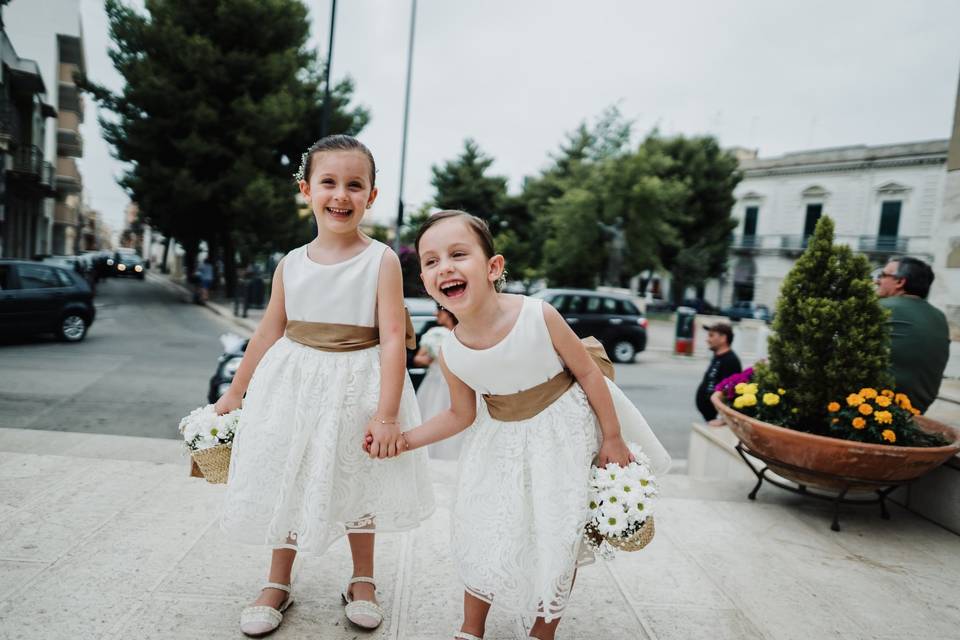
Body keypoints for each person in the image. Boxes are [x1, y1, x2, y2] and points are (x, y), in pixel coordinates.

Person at [379, 211, 670, 640]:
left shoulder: (538, 314)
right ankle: (470, 628)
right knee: (487, 526)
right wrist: (404, 440)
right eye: (431, 261)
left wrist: (611, 436)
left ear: (493, 267)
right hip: (500, 445)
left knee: (557, 531)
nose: (445, 267)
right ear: (424, 280)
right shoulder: (453, 351)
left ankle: (542, 630)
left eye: (458, 254)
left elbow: (589, 374)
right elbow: (459, 414)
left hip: (562, 437)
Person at [214, 135, 434, 636]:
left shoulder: (380, 260)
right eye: (328, 182)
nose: (341, 195)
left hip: (360, 380)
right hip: (295, 383)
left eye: (354, 185)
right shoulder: (291, 262)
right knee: (290, 475)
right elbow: (269, 329)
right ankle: (277, 581)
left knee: (359, 476)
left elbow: (394, 335)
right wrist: (235, 392)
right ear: (305, 189)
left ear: (371, 196)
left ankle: (362, 579)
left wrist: (387, 414)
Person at [875, 256, 949, 414]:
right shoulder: (940, 317)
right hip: (917, 412)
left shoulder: (880, 307)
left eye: (883, 275)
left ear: (900, 282)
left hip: (871, 407)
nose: (877, 281)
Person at [414, 305, 461, 459]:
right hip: (435, 382)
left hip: (458, 381)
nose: (436, 314)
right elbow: (417, 359)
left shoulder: (464, 330)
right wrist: (432, 357)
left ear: (448, 313)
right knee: (432, 411)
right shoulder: (433, 333)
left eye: (439, 310)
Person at [695, 322, 742, 424]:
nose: (708, 339)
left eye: (711, 336)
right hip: (710, 417)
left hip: (717, 418)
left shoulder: (730, 360)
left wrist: (723, 420)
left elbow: (731, 393)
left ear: (723, 338)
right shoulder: (718, 356)